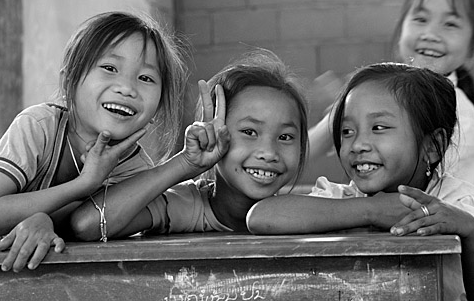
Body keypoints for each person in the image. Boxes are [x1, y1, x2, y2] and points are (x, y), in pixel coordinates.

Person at [246, 62, 474, 300]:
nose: (357, 144)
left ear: (432, 146)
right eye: (347, 131)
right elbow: (261, 216)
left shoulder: (457, 205)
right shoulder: (344, 200)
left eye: (379, 128)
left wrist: (470, 232)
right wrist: (372, 211)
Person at [0, 11, 189, 271]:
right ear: (69, 79)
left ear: (157, 106)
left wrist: (45, 221)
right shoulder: (39, 126)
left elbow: (88, 228)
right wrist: (84, 184)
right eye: (109, 68)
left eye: (145, 78)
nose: (127, 88)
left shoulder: (136, 171)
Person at [69, 50, 309, 239]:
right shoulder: (183, 206)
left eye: (285, 137)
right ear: (213, 132)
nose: (268, 152)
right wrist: (185, 163)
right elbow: (86, 224)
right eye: (249, 131)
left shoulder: (309, 211)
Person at [308, 0, 474, 189]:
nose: (430, 34)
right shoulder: (379, 93)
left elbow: (430, 204)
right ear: (401, 28)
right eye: (420, 20)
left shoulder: (459, 114)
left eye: (450, 24)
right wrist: (338, 117)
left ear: (472, 45)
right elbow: (299, 154)